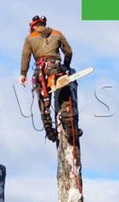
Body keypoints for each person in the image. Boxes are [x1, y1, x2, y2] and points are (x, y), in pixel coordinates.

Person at [20, 15, 81, 144]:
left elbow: (26, 56)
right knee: (64, 97)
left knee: (43, 102)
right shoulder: (57, 33)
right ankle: (70, 130)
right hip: (56, 70)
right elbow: (68, 52)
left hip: (41, 73)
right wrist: (66, 66)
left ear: (34, 26)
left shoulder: (30, 38)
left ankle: (50, 132)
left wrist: (23, 74)